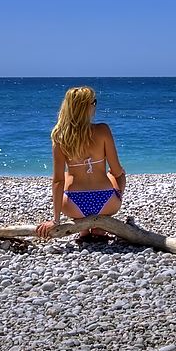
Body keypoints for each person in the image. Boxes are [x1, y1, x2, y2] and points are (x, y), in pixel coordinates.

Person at [36, 86, 126, 240]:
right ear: (86, 107)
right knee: (116, 174)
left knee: (65, 174)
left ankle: (82, 227)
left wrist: (55, 220)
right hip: (107, 203)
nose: (95, 106)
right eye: (94, 102)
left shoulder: (60, 136)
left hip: (74, 207)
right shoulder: (103, 130)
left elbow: (58, 181)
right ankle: (99, 226)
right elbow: (116, 170)